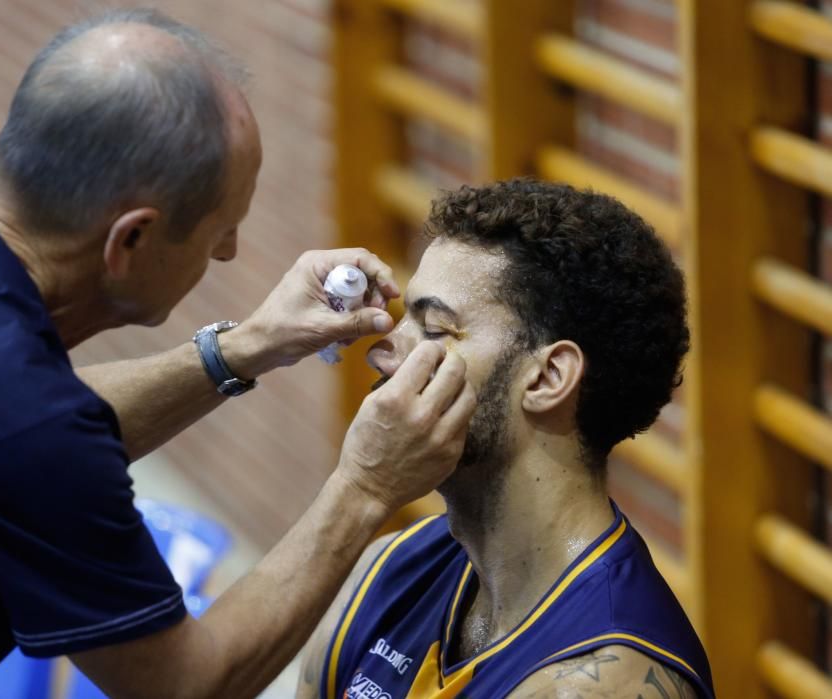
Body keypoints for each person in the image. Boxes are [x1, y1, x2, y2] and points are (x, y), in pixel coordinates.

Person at [0, 10, 477, 699]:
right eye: (219, 230)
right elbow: (183, 684)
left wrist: (246, 348)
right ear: (130, 240)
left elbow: (9, 435)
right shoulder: (23, 429)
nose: (227, 252)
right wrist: (365, 486)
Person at [297, 179, 715, 699]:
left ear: (547, 378)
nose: (382, 351)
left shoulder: (604, 684)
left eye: (433, 329)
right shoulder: (384, 569)